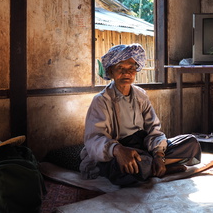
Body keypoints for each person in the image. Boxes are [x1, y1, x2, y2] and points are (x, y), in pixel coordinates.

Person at [80, 43, 201, 186]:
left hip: (144, 147)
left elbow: (153, 129)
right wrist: (118, 150)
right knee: (125, 168)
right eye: (120, 68)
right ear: (111, 72)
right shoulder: (101, 101)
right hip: (120, 150)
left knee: (191, 143)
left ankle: (156, 166)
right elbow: (94, 139)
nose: (126, 73)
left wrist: (159, 155)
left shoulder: (141, 95)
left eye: (131, 68)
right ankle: (160, 168)